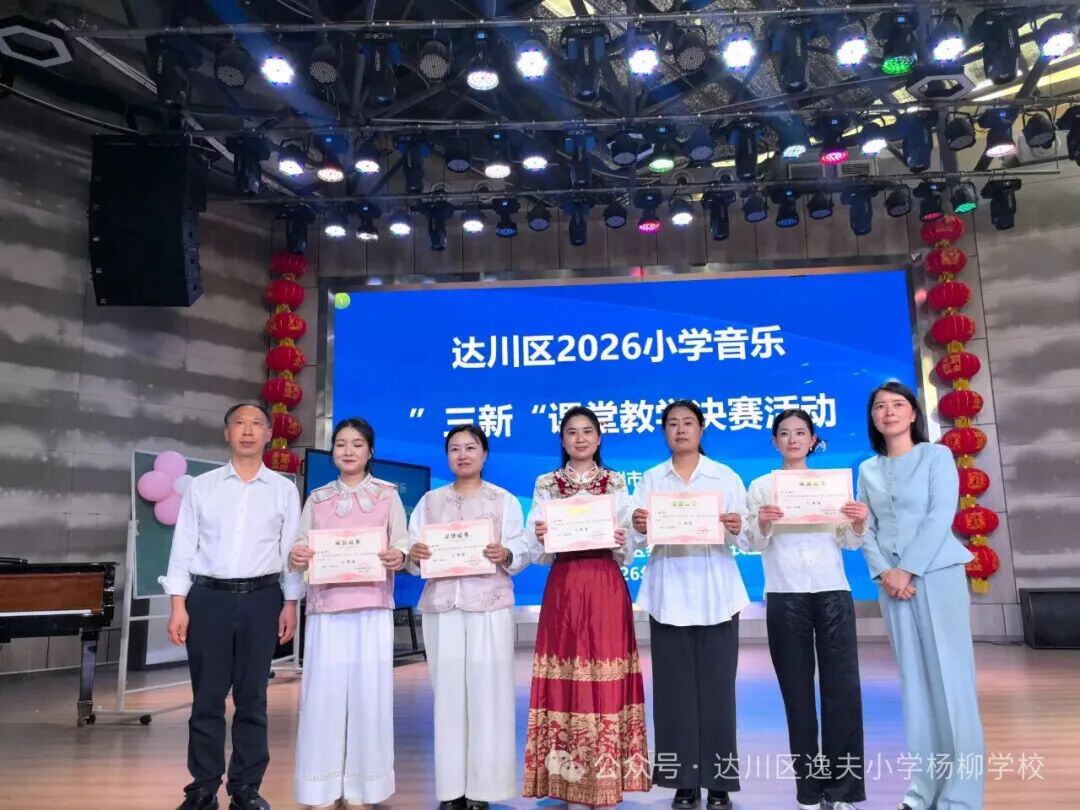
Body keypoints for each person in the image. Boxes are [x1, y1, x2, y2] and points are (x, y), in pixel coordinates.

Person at [849, 381, 984, 810]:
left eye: (897, 405)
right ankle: (922, 791)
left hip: (936, 575)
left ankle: (961, 796)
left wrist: (906, 569)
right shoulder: (867, 469)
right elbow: (865, 528)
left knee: (951, 683)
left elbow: (940, 516)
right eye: (880, 407)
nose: (888, 412)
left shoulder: (936, 456)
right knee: (915, 687)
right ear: (873, 418)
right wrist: (886, 572)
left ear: (912, 414)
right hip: (891, 584)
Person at [164, 403, 301, 810]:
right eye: (239, 423)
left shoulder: (283, 489)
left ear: (268, 434)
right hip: (208, 599)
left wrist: (290, 603)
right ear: (227, 433)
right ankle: (203, 786)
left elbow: (291, 553)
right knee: (206, 697)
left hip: (263, 599)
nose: (247, 430)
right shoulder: (202, 487)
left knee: (252, 698)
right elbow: (183, 548)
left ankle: (245, 787)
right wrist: (178, 604)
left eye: (256, 424)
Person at [522, 406, 650, 810]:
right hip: (564, 584)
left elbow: (629, 542)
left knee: (606, 672)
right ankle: (568, 782)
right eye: (572, 432)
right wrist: (541, 535)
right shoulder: (547, 483)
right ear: (562, 440)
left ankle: (606, 778)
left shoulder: (615, 481)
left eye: (587, 431)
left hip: (603, 582)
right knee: (567, 675)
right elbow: (534, 546)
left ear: (599, 438)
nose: (580, 439)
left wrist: (622, 537)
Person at [745, 408, 867, 810]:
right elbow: (751, 543)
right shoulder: (762, 487)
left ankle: (843, 791)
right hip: (784, 593)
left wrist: (858, 522)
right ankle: (808, 791)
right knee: (796, 694)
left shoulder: (832, 485)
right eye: (785, 433)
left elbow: (849, 542)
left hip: (832, 590)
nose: (793, 439)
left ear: (813, 440)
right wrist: (763, 523)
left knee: (842, 691)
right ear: (774, 441)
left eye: (801, 433)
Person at [629, 400, 747, 810]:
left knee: (719, 692)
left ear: (701, 429)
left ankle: (719, 783)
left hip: (717, 594)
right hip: (668, 594)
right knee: (673, 693)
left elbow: (748, 534)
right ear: (664, 432)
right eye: (673, 424)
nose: (680, 429)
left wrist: (738, 526)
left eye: (688, 423)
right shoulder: (651, 478)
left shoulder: (724, 476)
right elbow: (634, 536)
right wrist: (638, 525)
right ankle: (682, 782)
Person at [406, 424, 530, 810]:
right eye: (455, 448)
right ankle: (451, 790)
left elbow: (521, 548)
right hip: (442, 607)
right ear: (447, 456)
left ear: (484, 454)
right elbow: (412, 555)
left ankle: (483, 790)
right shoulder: (430, 502)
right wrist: (415, 554)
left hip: (489, 605)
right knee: (448, 697)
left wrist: (506, 554)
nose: (462, 455)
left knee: (488, 697)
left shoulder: (504, 500)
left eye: (470, 447)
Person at [287, 418, 409, 809]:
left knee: (369, 697)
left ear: (370, 451)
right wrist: (298, 554)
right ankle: (321, 788)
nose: (349, 451)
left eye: (357, 444)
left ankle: (362, 788)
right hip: (326, 609)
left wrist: (399, 555)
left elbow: (403, 543)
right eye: (341, 444)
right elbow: (299, 545)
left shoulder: (388, 495)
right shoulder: (318, 498)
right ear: (333, 451)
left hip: (372, 607)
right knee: (322, 696)